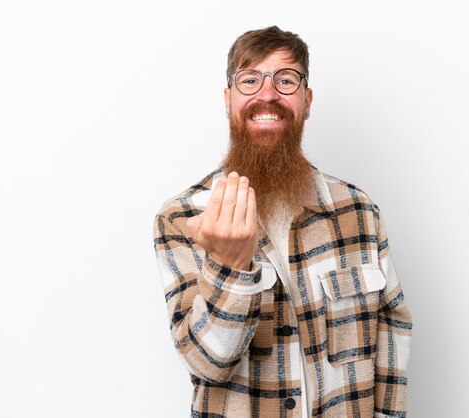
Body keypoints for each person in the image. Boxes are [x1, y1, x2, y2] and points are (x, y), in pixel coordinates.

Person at [154, 26, 412, 418]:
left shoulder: (359, 211)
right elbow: (208, 364)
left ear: (307, 101)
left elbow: (392, 326)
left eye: (286, 80)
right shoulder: (181, 218)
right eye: (250, 80)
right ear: (228, 100)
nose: (268, 94)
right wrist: (231, 265)